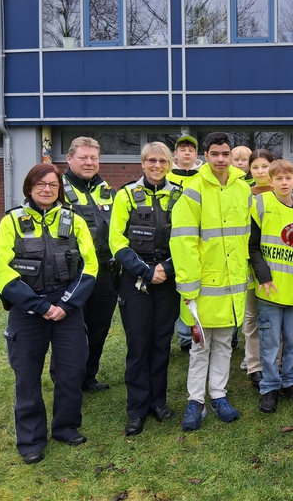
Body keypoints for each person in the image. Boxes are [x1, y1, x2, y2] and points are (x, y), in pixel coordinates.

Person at [0, 163, 98, 464]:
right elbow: (0, 272)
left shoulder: (73, 221)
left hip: (67, 307)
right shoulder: (12, 222)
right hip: (27, 310)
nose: (47, 189)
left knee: (71, 372)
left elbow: (90, 266)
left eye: (53, 184)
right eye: (40, 184)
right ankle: (31, 440)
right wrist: (40, 306)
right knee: (27, 376)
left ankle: (66, 427)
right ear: (29, 187)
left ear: (59, 189)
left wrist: (65, 305)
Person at [171, 132, 252, 431]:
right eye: (215, 153)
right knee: (200, 347)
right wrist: (188, 284)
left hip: (232, 283)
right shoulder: (193, 189)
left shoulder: (243, 189)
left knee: (224, 345)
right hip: (203, 285)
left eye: (225, 154)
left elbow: (245, 236)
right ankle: (196, 401)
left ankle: (218, 394)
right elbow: (183, 241)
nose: (220, 159)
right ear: (205, 156)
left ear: (231, 156)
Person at [109, 142, 182, 436]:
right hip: (136, 279)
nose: (157, 166)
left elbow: (188, 238)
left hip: (168, 278)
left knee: (161, 344)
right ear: (142, 163)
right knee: (138, 346)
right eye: (151, 160)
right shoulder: (125, 195)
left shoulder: (180, 196)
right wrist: (146, 271)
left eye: (162, 161)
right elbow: (116, 241)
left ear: (169, 165)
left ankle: (158, 403)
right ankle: (137, 410)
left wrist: (166, 268)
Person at [248, 159, 293, 414]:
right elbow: (252, 246)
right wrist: (264, 276)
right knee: (269, 342)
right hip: (269, 289)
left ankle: (290, 381)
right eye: (279, 179)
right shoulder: (260, 204)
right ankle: (269, 386)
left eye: (288, 178)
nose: (284, 183)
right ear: (270, 181)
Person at [61, 136, 117, 393]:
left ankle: (88, 376)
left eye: (93, 158)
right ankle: (68, 381)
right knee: (72, 330)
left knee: (99, 327)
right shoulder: (58, 189)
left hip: (105, 272)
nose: (89, 162)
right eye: (83, 157)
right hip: (73, 273)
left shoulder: (107, 191)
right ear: (69, 158)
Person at [243, 148, 275, 388]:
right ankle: (253, 363)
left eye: (265, 166)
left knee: (275, 317)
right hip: (249, 263)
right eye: (255, 167)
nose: (260, 171)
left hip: (277, 267)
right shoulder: (244, 195)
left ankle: (275, 361)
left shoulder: (284, 192)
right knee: (252, 316)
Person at [167, 134, 203, 354]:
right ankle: (183, 335)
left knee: (194, 290)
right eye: (183, 149)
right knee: (177, 291)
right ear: (176, 154)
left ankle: (194, 333)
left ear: (197, 154)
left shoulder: (205, 177)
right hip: (171, 239)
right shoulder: (167, 177)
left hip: (200, 240)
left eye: (191, 149)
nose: (187, 152)